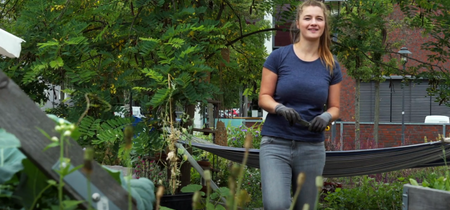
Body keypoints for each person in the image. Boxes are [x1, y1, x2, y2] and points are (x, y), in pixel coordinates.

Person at [258, 0, 342, 209]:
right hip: (276, 143)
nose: (313, 23)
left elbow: (335, 107)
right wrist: (279, 108)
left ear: (324, 25)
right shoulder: (278, 57)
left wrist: (326, 117)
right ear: (298, 23)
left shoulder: (331, 64)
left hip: (311, 147)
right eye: (308, 18)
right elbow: (264, 97)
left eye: (319, 19)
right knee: (276, 205)